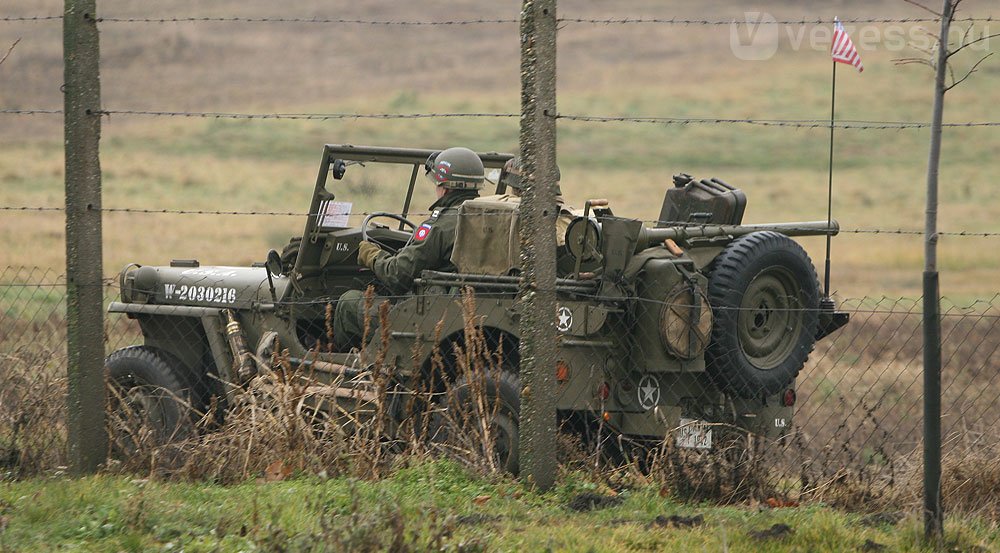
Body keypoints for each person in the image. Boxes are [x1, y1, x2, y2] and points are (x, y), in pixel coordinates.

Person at [332, 146, 485, 350]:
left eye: (438, 183)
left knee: (348, 303)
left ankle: (351, 366)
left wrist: (372, 255)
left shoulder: (441, 224)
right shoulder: (487, 216)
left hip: (430, 314)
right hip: (471, 310)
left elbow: (398, 275)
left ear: (445, 187)